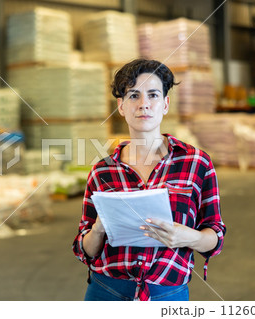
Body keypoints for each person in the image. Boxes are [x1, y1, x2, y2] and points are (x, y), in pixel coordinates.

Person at [72, 59, 226, 301]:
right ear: (121, 106)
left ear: (165, 104)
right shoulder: (102, 171)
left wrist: (190, 237)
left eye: (153, 95)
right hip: (107, 292)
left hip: (168, 294)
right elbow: (85, 250)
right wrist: (99, 228)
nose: (144, 104)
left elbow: (215, 236)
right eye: (133, 96)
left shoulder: (196, 163)